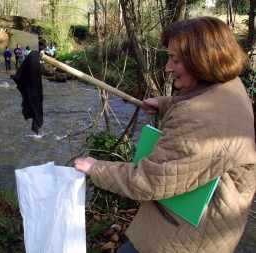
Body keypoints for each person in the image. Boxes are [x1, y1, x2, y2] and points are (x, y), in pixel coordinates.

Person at [74, 16, 256, 253]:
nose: (168, 67)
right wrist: (166, 104)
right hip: (212, 224)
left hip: (187, 238)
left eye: (175, 60)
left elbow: (151, 180)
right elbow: (209, 110)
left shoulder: (197, 120)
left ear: (203, 61)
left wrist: (95, 168)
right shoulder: (230, 86)